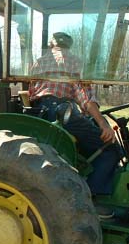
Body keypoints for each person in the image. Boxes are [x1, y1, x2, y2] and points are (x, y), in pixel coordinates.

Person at [29, 32, 120, 218]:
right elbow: (84, 97)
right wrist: (103, 125)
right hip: (63, 112)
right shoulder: (73, 61)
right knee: (111, 149)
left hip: (40, 114)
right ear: (69, 45)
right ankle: (93, 199)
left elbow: (32, 92)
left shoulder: (38, 62)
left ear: (51, 44)